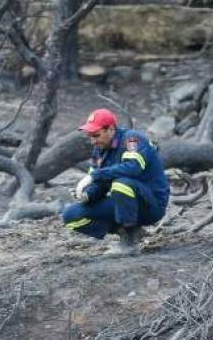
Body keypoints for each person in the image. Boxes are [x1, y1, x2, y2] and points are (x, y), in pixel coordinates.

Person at [61, 108, 169, 254]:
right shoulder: (99, 150)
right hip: (122, 202)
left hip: (151, 205)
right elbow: (100, 185)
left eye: (96, 135)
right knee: (71, 215)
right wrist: (87, 195)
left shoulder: (132, 139)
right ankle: (126, 232)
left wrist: (94, 175)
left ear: (111, 130)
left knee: (121, 184)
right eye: (90, 136)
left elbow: (133, 168)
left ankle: (129, 244)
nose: (93, 141)